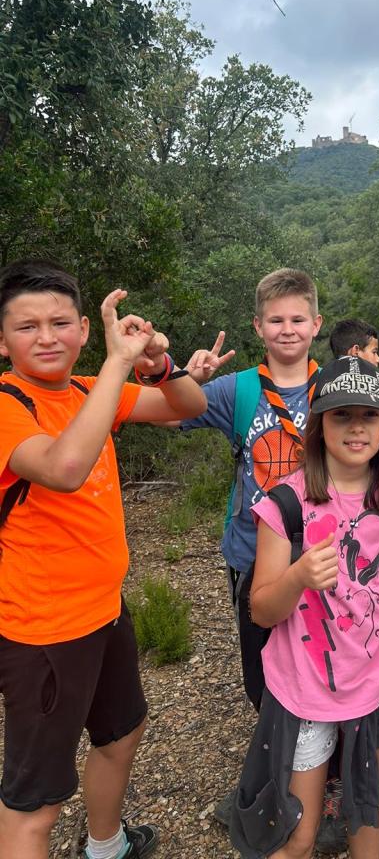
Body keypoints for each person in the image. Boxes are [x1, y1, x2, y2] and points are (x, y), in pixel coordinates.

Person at [0, 259, 207, 859]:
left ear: (85, 329)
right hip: (43, 629)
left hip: (103, 610)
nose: (47, 338)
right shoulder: (8, 406)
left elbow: (186, 406)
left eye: (60, 323)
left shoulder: (89, 392)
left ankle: (107, 846)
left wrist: (158, 363)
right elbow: (64, 468)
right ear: (2, 341)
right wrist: (118, 365)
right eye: (27, 326)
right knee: (35, 804)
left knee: (121, 732)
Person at [230, 356, 379, 859]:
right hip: (306, 688)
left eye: (370, 415)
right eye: (342, 415)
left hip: (374, 680)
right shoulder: (285, 503)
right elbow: (261, 610)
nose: (357, 427)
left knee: (366, 804)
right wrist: (297, 577)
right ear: (319, 425)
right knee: (298, 832)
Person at [176, 269, 326, 828]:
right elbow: (170, 412)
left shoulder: (335, 384)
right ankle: (279, 775)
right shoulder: (236, 390)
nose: (287, 330)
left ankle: (321, 782)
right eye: (275, 320)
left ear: (316, 324)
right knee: (261, 676)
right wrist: (180, 377)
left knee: (327, 667)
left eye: (297, 319)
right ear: (258, 326)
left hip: (325, 557)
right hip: (251, 555)